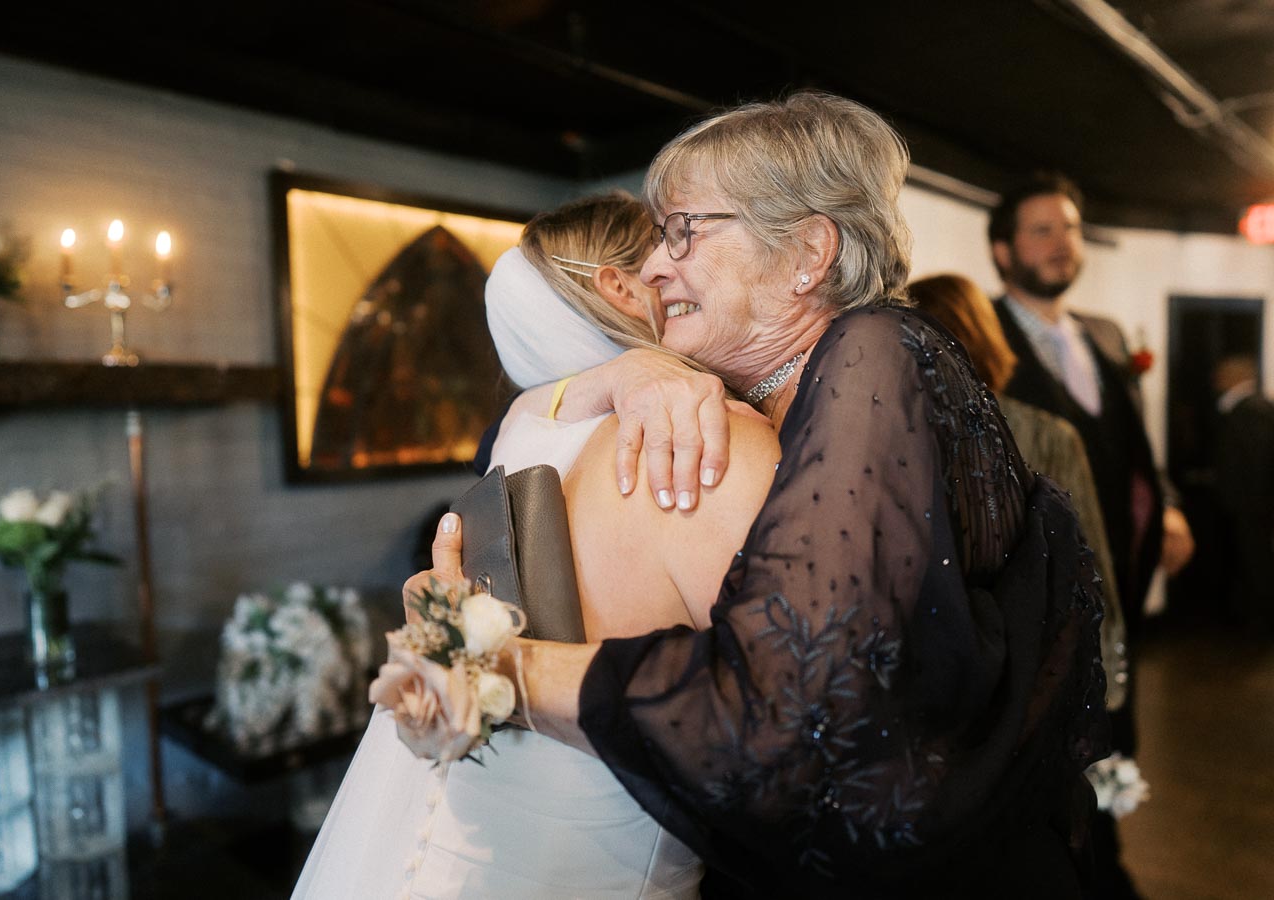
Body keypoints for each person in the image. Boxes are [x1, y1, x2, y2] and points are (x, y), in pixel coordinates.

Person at [407, 92, 1109, 898]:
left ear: (808, 251)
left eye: (683, 232)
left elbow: (789, 717)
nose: (652, 267)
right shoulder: (792, 392)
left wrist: (494, 668)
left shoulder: (873, 353)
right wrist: (616, 374)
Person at [292, 191, 780, 899]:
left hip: (432, 853)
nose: (681, 270)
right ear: (618, 284)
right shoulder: (707, 444)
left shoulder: (520, 437)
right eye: (673, 244)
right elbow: (781, 730)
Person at [986, 174, 1191, 898]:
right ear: (1003, 250)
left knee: (1108, 735)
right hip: (1040, 594)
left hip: (1113, 589)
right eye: (1041, 230)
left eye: (1069, 228)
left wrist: (1165, 504)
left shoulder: (1099, 335)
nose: (1060, 243)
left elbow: (1132, 447)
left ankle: (1104, 859)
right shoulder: (985, 340)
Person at [908, 272, 1127, 707]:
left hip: (934, 677)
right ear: (987, 336)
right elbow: (1091, 564)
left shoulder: (892, 435)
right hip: (1033, 667)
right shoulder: (1050, 435)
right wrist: (1109, 682)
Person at [1212, 354, 1274, 639]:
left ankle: (1261, 624)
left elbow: (1259, 463)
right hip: (1253, 504)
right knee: (1255, 561)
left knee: (1256, 562)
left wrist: (1250, 502)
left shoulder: (1252, 410)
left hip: (1252, 505)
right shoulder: (1254, 408)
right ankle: (1254, 619)